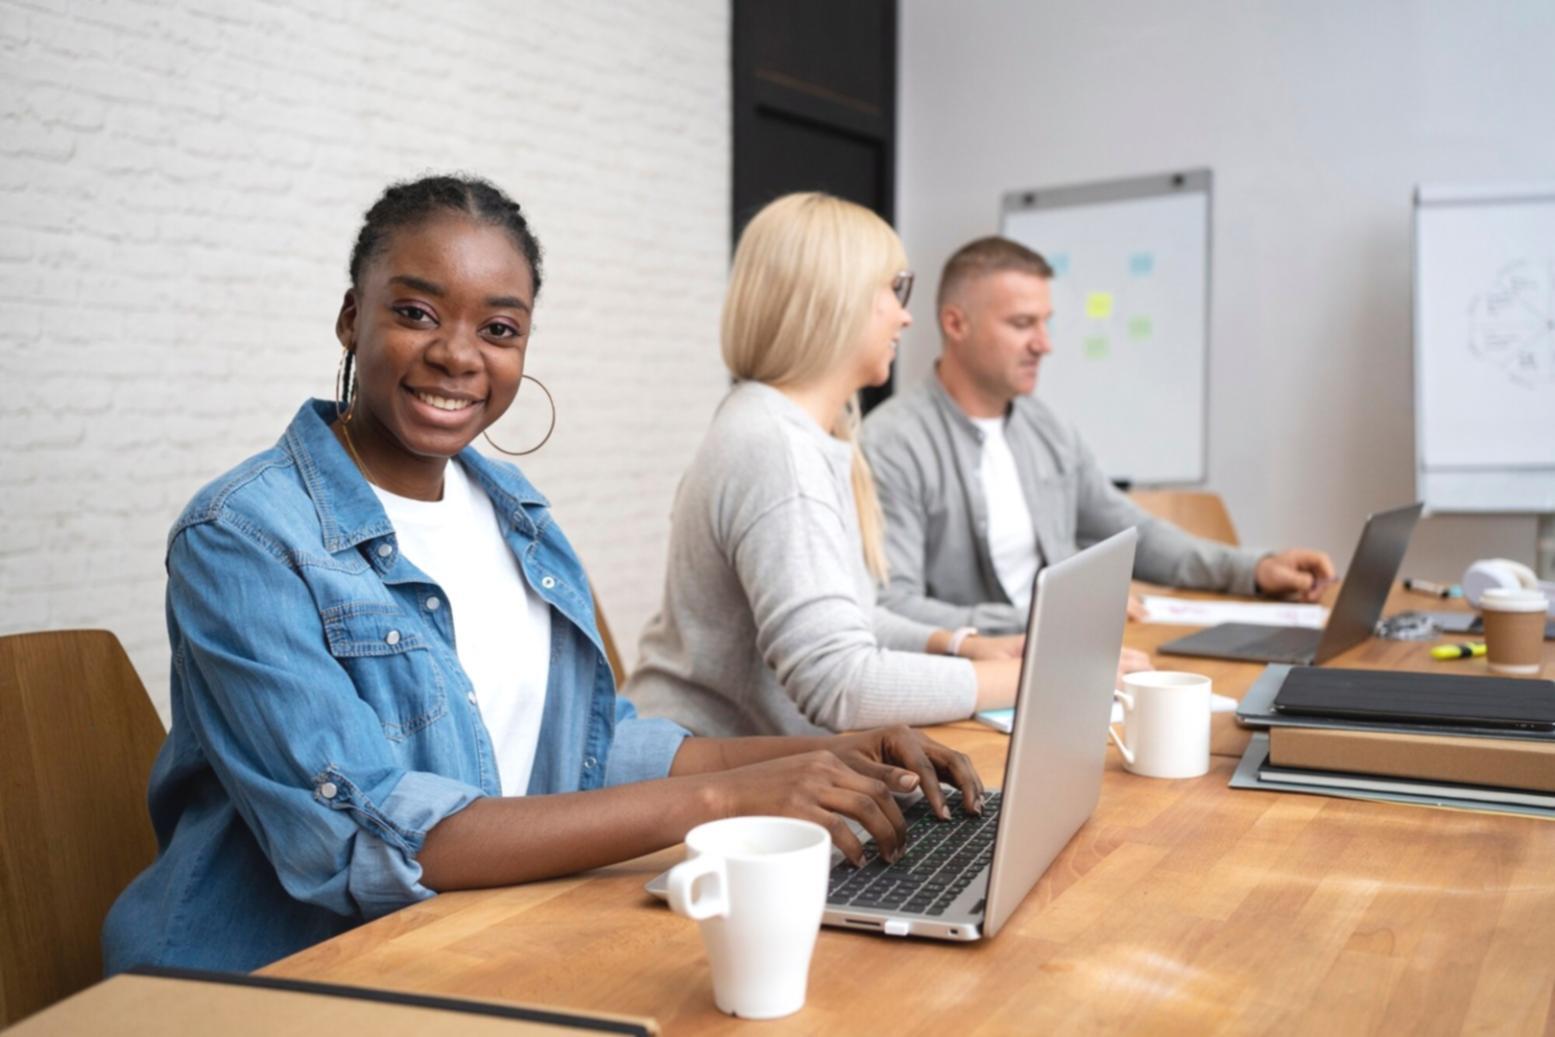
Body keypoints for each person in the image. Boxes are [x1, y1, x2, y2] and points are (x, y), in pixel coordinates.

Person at [101, 176, 986, 975]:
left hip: (479, 941)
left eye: (498, 329)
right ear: (349, 316)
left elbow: (593, 750)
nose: (457, 354)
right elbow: (372, 837)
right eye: (415, 312)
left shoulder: (511, 507)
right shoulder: (243, 536)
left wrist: (824, 752)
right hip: (282, 975)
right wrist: (727, 796)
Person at [625, 193, 1026, 741]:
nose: (906, 314)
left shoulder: (796, 431)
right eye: (894, 288)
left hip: (743, 768)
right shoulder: (775, 449)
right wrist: (1027, 680)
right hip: (701, 785)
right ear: (838, 298)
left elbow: (847, 617)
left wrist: (961, 645)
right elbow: (842, 684)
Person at [860, 236, 1336, 635]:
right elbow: (892, 607)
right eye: (1022, 324)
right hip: (980, 679)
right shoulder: (893, 444)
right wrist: (1040, 620)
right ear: (955, 323)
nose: (1043, 344)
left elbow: (1135, 535)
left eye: (1046, 323)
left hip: (1071, 654)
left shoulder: (1045, 429)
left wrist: (1253, 569)